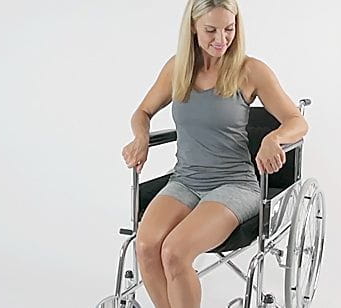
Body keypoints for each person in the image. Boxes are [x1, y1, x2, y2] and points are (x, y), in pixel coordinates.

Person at [121, 1, 308, 307]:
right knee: (145, 245)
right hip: (185, 180)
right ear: (193, 28)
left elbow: (297, 121)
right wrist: (140, 137)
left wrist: (274, 138)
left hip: (234, 185)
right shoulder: (177, 68)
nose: (221, 38)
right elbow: (142, 111)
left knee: (174, 252)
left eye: (229, 29)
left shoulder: (251, 70)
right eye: (211, 30)